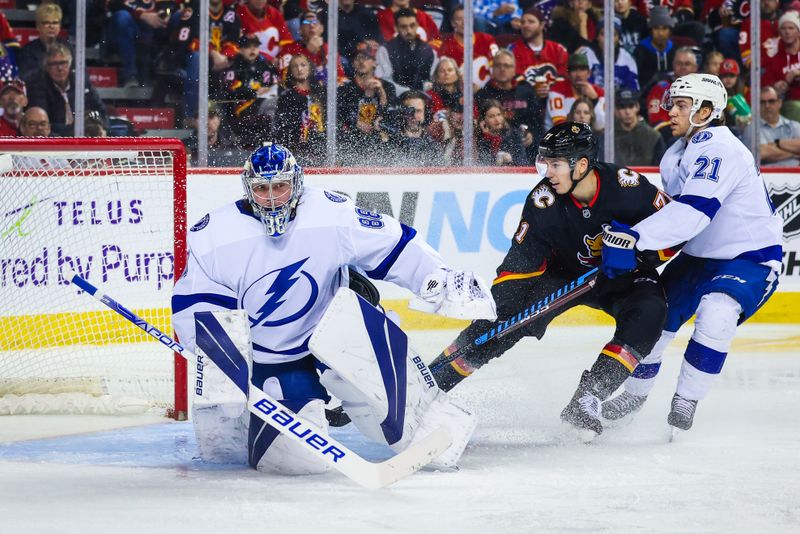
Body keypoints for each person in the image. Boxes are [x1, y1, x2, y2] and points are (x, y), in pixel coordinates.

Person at [172, 143, 495, 474]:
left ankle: (438, 427)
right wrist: (215, 356)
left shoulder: (329, 212)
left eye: (280, 187)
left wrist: (438, 277)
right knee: (299, 465)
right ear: (247, 188)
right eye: (261, 188)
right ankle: (254, 429)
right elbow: (195, 304)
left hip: (338, 336)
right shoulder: (215, 235)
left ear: (296, 183)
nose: (271, 197)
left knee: (376, 371)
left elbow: (394, 245)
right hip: (272, 361)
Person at [428, 122, 673, 435]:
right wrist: (500, 312)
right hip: (563, 276)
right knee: (502, 321)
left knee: (651, 312)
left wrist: (640, 251)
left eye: (555, 164)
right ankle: (433, 383)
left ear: (582, 165)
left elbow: (677, 226)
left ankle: (587, 399)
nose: (548, 172)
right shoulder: (544, 201)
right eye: (545, 163)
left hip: (624, 275)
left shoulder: (626, 187)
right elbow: (519, 263)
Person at [600, 74, 783, 432]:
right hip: (699, 256)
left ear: (706, 111)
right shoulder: (676, 153)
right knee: (653, 315)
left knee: (717, 312)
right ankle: (636, 394)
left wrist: (636, 239)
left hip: (750, 256)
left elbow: (694, 212)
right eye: (673, 103)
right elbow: (675, 214)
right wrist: (645, 244)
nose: (671, 111)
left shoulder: (721, 149)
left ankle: (687, 397)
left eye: (682, 105)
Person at [25, 43, 106, 137]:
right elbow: (45, 124)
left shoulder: (81, 82)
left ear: (70, 64)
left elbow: (101, 110)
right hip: (56, 138)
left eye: (63, 63)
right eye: (54, 64)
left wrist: (102, 128)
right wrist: (76, 128)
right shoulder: (39, 86)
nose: (59, 68)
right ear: (47, 67)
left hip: (84, 134)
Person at [475, 50, 541, 159]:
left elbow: (537, 122)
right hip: (493, 147)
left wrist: (531, 134)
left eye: (506, 65)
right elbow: (477, 125)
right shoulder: (482, 95)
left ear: (514, 69)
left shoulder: (526, 92)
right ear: (492, 69)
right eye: (498, 65)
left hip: (527, 147)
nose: (502, 69)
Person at [223, 35, 280, 149]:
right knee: (274, 105)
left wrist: (268, 89)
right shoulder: (235, 66)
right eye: (248, 46)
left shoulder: (265, 65)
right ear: (240, 49)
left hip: (264, 102)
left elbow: (275, 84)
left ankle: (275, 141)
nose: (253, 50)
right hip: (242, 106)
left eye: (255, 46)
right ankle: (274, 141)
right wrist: (253, 92)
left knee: (279, 104)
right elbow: (229, 89)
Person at [274, 54, 326, 166]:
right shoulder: (286, 97)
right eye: (295, 66)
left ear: (310, 68)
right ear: (290, 71)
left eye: (303, 65)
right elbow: (283, 127)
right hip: (297, 151)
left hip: (323, 148)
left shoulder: (322, 93)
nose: (299, 69)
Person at [436, 5, 499, 89]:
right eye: (459, 19)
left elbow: (497, 68)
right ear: (452, 23)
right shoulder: (445, 45)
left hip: (487, 91)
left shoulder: (488, 40)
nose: (464, 22)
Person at [375, 8, 435, 95]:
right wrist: (408, 94)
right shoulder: (385, 50)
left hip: (422, 98)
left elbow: (430, 79)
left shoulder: (427, 49)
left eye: (412, 25)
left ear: (417, 25)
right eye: (404, 27)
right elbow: (386, 81)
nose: (409, 31)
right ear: (396, 28)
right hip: (396, 97)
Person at [278, 11, 346, 85]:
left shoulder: (330, 49)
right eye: (306, 22)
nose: (311, 25)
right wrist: (308, 52)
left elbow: (340, 77)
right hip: (301, 94)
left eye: (315, 22)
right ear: (300, 30)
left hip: (326, 93)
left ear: (321, 28)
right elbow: (285, 80)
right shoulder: (288, 50)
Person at [317, 0, 382, 76]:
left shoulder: (367, 13)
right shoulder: (328, 14)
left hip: (363, 57)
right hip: (338, 59)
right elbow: (325, 42)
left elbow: (376, 41)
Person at [508, 7, 568, 87]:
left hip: (554, 97)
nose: (525, 25)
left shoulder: (558, 50)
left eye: (531, 22)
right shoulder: (513, 50)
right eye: (523, 22)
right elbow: (515, 79)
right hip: (525, 97)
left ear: (542, 25)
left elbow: (563, 79)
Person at [546, 53, 605, 130]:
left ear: (589, 73)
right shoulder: (557, 90)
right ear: (568, 74)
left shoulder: (599, 93)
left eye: (582, 69)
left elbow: (601, 126)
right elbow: (560, 127)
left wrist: (594, 99)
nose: (578, 74)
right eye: (574, 69)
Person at [382, 89, 440, 167]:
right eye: (409, 111)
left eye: (418, 111)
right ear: (401, 113)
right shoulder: (388, 142)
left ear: (425, 113)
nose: (414, 116)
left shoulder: (433, 146)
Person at [17, 3, 73, 83]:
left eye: (55, 23)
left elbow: (80, 76)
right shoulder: (27, 51)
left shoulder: (69, 48)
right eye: (46, 23)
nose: (51, 26)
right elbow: (26, 78)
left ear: (60, 27)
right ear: (38, 26)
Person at [762, 10, 800, 122]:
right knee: (794, 107)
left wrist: (796, 73)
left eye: (791, 28)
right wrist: (776, 87)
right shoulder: (775, 59)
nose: (787, 32)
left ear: (798, 32)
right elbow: (766, 85)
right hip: (790, 103)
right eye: (783, 28)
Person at [614, 88, 666, 167]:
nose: (627, 112)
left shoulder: (653, 136)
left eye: (631, 106)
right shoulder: (608, 137)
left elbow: (660, 168)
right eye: (622, 107)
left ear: (637, 107)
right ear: (616, 110)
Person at [633, 6, 676, 94]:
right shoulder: (640, 51)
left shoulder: (675, 50)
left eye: (664, 28)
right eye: (656, 28)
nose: (660, 33)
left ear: (670, 30)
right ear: (651, 30)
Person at [476, 98, 528, 166]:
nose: (497, 119)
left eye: (499, 115)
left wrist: (511, 159)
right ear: (483, 120)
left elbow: (524, 162)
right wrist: (487, 138)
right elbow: (482, 164)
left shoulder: (513, 135)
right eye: (491, 116)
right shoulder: (480, 138)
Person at [758, 85, 800, 167]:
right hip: (768, 176)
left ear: (779, 103)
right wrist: (794, 153)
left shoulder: (794, 125)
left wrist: (777, 143)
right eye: (762, 102)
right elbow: (762, 152)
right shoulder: (753, 129)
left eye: (771, 101)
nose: (767, 106)